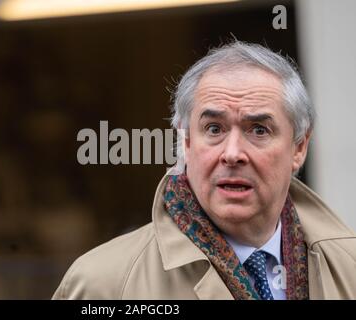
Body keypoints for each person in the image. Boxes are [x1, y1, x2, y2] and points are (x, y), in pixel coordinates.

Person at [53, 41, 356, 300]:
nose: (233, 153)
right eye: (214, 128)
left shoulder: (348, 268)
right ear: (185, 142)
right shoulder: (104, 285)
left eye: (259, 130)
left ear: (299, 147)